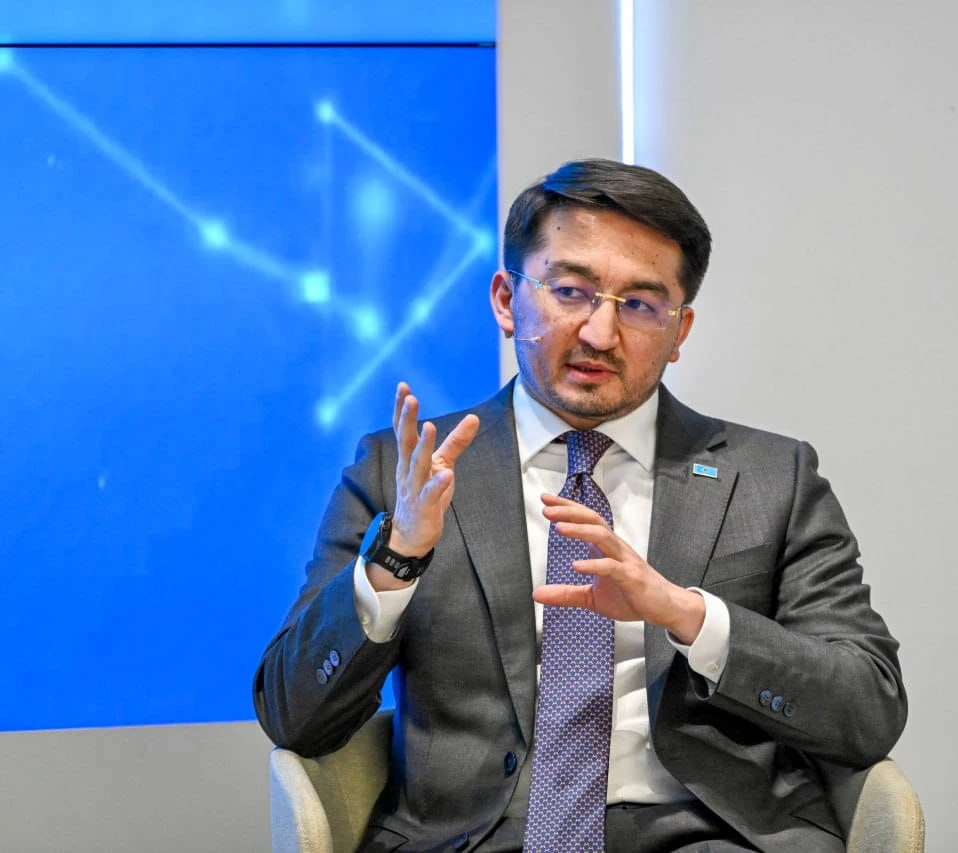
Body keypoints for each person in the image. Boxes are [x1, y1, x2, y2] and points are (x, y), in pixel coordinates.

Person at [255, 159, 906, 853]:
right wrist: (397, 560)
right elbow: (296, 718)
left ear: (681, 331)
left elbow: (867, 709)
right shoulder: (405, 470)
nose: (599, 333)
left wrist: (689, 616)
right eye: (570, 291)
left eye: (641, 304)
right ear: (506, 299)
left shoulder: (771, 477)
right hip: (473, 839)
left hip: (707, 836)